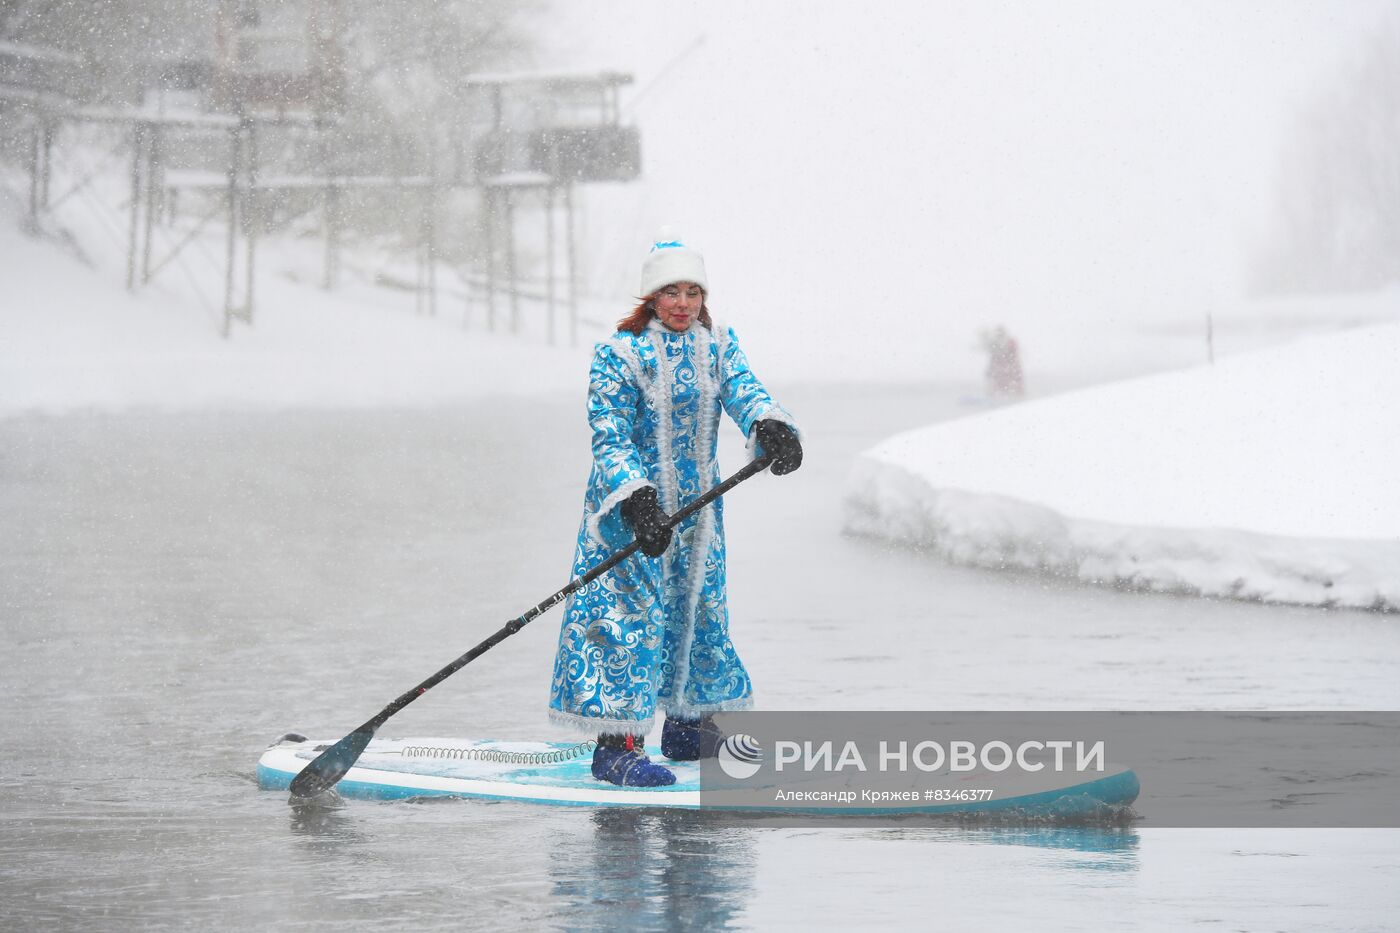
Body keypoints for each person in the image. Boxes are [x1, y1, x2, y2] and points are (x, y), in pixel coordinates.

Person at [547, 234, 803, 787]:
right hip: (627, 515)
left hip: (699, 515)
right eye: (671, 292)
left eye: (693, 291)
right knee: (628, 625)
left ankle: (686, 728)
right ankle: (615, 749)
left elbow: (745, 390)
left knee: (700, 612)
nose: (683, 303)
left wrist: (770, 425)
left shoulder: (718, 345)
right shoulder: (618, 354)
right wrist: (637, 499)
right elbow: (609, 437)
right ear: (650, 297)